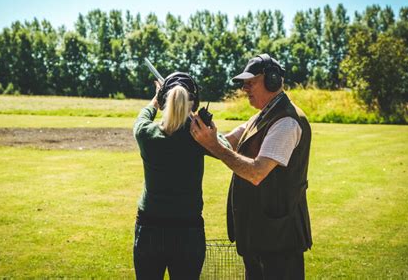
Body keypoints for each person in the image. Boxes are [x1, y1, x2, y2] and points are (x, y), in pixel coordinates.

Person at [190, 54, 312, 279]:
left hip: (279, 241)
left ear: (272, 80)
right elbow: (227, 141)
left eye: (250, 82)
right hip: (261, 236)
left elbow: (257, 172)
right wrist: (200, 131)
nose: (245, 88)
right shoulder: (260, 117)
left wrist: (214, 145)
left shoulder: (286, 122)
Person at [133, 72, 229, 280]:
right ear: (194, 104)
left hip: (149, 227)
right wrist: (200, 122)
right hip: (188, 230)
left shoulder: (145, 133)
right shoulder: (198, 137)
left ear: (162, 100)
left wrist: (156, 98)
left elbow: (143, 116)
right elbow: (226, 148)